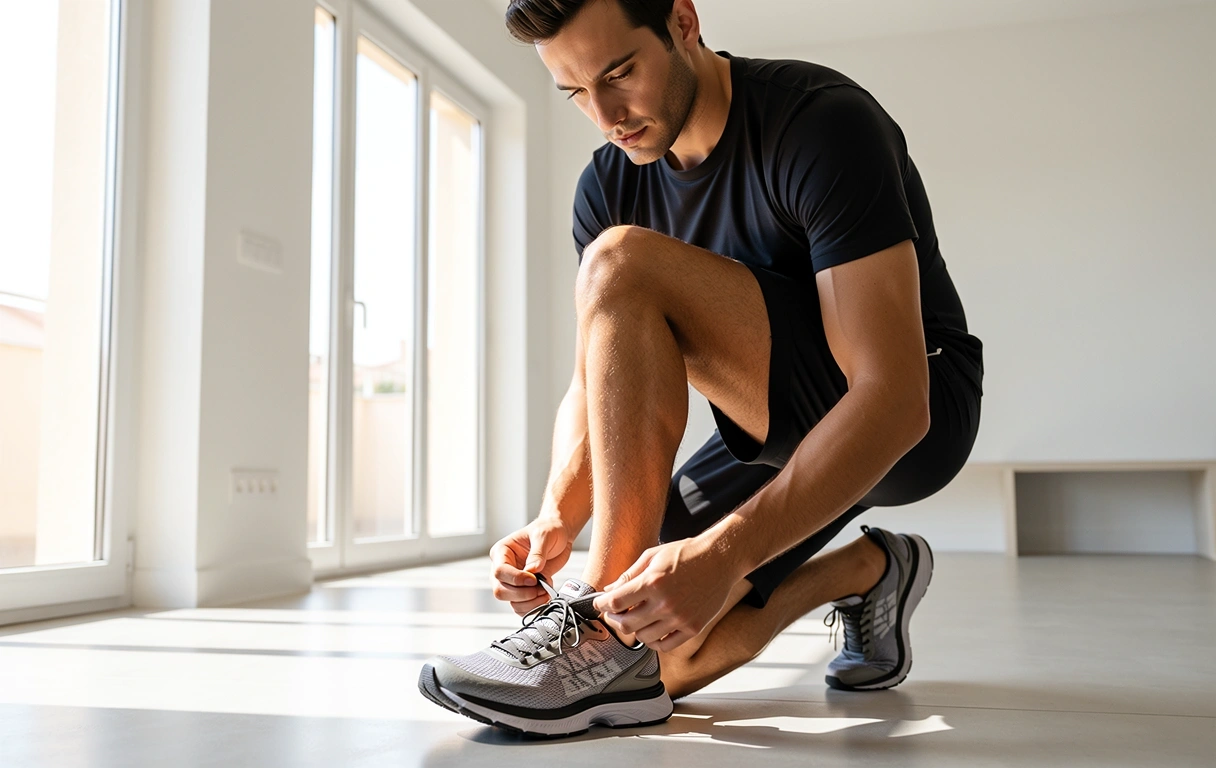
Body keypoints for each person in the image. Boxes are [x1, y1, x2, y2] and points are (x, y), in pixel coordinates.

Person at [418, 0, 983, 737]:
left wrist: (727, 551)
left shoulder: (820, 123)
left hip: (913, 416)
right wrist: (559, 512)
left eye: (620, 73)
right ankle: (866, 571)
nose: (606, 113)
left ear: (682, 21)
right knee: (663, 650)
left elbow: (894, 396)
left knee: (620, 261)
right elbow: (592, 382)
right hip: (772, 429)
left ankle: (596, 631)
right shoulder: (609, 182)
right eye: (575, 92)